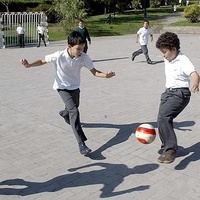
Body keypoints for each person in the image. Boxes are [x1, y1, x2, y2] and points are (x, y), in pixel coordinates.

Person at [20, 31, 115, 156]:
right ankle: (82, 144)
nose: (81, 52)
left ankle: (65, 114)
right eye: (78, 49)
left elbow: (95, 72)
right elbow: (43, 61)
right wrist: (29, 65)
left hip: (75, 87)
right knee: (74, 111)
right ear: (69, 46)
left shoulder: (84, 57)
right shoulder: (59, 55)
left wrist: (105, 76)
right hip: (62, 88)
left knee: (72, 109)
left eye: (82, 48)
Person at [156, 32, 199, 164]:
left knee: (164, 116)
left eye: (164, 52)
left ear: (174, 49)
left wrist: (195, 83)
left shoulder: (183, 60)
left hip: (180, 94)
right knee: (161, 119)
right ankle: (166, 147)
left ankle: (171, 150)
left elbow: (194, 73)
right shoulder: (168, 57)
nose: (163, 55)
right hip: (167, 93)